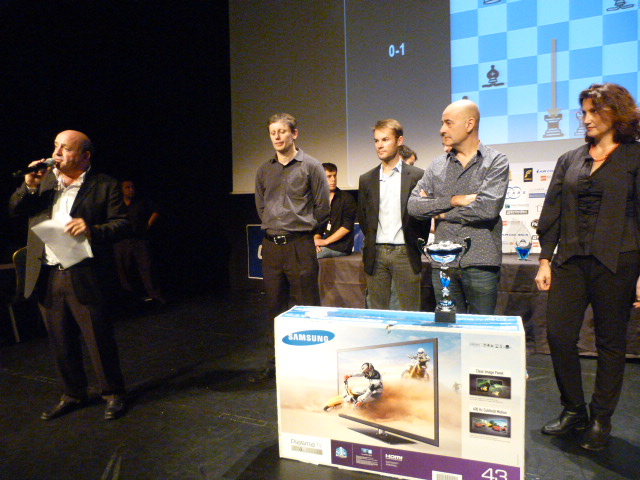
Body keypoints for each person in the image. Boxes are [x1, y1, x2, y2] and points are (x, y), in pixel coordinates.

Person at [535, 83, 640, 451]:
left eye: (595, 110)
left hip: (619, 261)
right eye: (584, 111)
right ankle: (574, 409)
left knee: (610, 342)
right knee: (559, 335)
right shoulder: (570, 158)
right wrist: (545, 258)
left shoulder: (635, 157)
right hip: (569, 260)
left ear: (617, 113)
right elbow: (552, 211)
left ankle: (600, 418)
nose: (587, 118)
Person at [9, 130, 130, 420]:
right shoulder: (44, 182)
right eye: (55, 146)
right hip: (48, 273)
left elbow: (123, 224)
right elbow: (15, 210)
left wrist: (92, 230)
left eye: (65, 148)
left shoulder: (104, 185)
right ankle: (73, 393)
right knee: (60, 340)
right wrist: (29, 185)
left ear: (85, 156)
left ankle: (113, 393)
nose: (57, 153)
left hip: (84, 272)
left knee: (97, 338)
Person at [407, 99, 509, 315]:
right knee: (449, 327)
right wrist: (454, 200)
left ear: (469, 124)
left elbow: (487, 208)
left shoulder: (496, 161)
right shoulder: (437, 165)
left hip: (481, 261)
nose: (442, 130)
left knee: (481, 329)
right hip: (443, 262)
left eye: (448, 123)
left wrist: (440, 213)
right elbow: (414, 206)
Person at [253, 113, 330, 381]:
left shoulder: (311, 166)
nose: (277, 137)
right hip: (272, 247)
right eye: (272, 132)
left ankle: (313, 361)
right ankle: (276, 361)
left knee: (307, 305)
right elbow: (261, 206)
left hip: (300, 245)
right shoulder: (264, 170)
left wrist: (304, 230)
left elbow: (322, 207)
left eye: (282, 131)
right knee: (274, 306)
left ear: (294, 133)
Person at [358, 119, 430, 311]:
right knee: (378, 311)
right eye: (376, 140)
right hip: (376, 253)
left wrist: (415, 243)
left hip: (405, 252)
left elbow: (423, 218)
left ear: (399, 141)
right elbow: (364, 218)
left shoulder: (417, 176)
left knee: (410, 311)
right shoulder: (367, 179)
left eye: (385, 139)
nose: (379, 145)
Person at [113, 179, 166, 305]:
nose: (131, 190)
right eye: (127, 187)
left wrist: (149, 223)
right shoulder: (116, 205)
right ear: (121, 190)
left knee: (147, 268)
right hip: (122, 241)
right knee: (124, 271)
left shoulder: (141, 202)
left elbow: (157, 209)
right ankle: (131, 299)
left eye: (132, 187)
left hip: (140, 239)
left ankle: (155, 296)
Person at [314, 163, 357, 259]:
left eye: (334, 175)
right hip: (326, 244)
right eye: (329, 176)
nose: (333, 179)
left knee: (308, 257)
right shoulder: (320, 200)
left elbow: (347, 226)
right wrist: (316, 241)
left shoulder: (347, 198)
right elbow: (319, 226)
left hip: (340, 247)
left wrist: (325, 241)